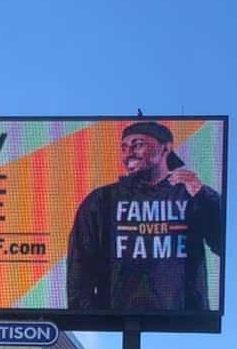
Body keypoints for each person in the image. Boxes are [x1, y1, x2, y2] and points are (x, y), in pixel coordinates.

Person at [66, 121, 223, 312]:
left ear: (165, 149)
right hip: (115, 313)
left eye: (138, 144)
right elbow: (79, 269)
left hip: (182, 314)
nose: (128, 153)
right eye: (124, 147)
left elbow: (222, 245)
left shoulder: (189, 195)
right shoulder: (101, 200)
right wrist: (86, 317)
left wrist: (203, 194)